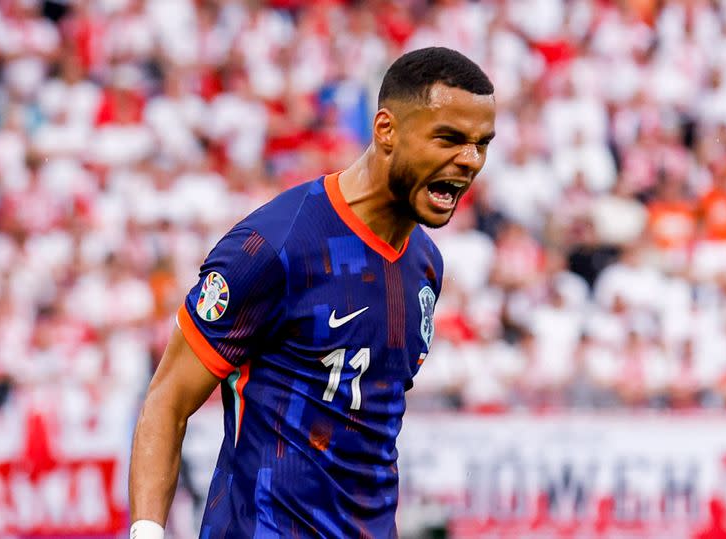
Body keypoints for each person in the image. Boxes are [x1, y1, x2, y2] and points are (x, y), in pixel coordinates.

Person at [128, 46, 495, 538]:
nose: (470, 160)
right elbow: (167, 398)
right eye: (449, 138)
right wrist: (147, 532)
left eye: (481, 143)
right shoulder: (278, 244)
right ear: (386, 129)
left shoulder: (424, 264)